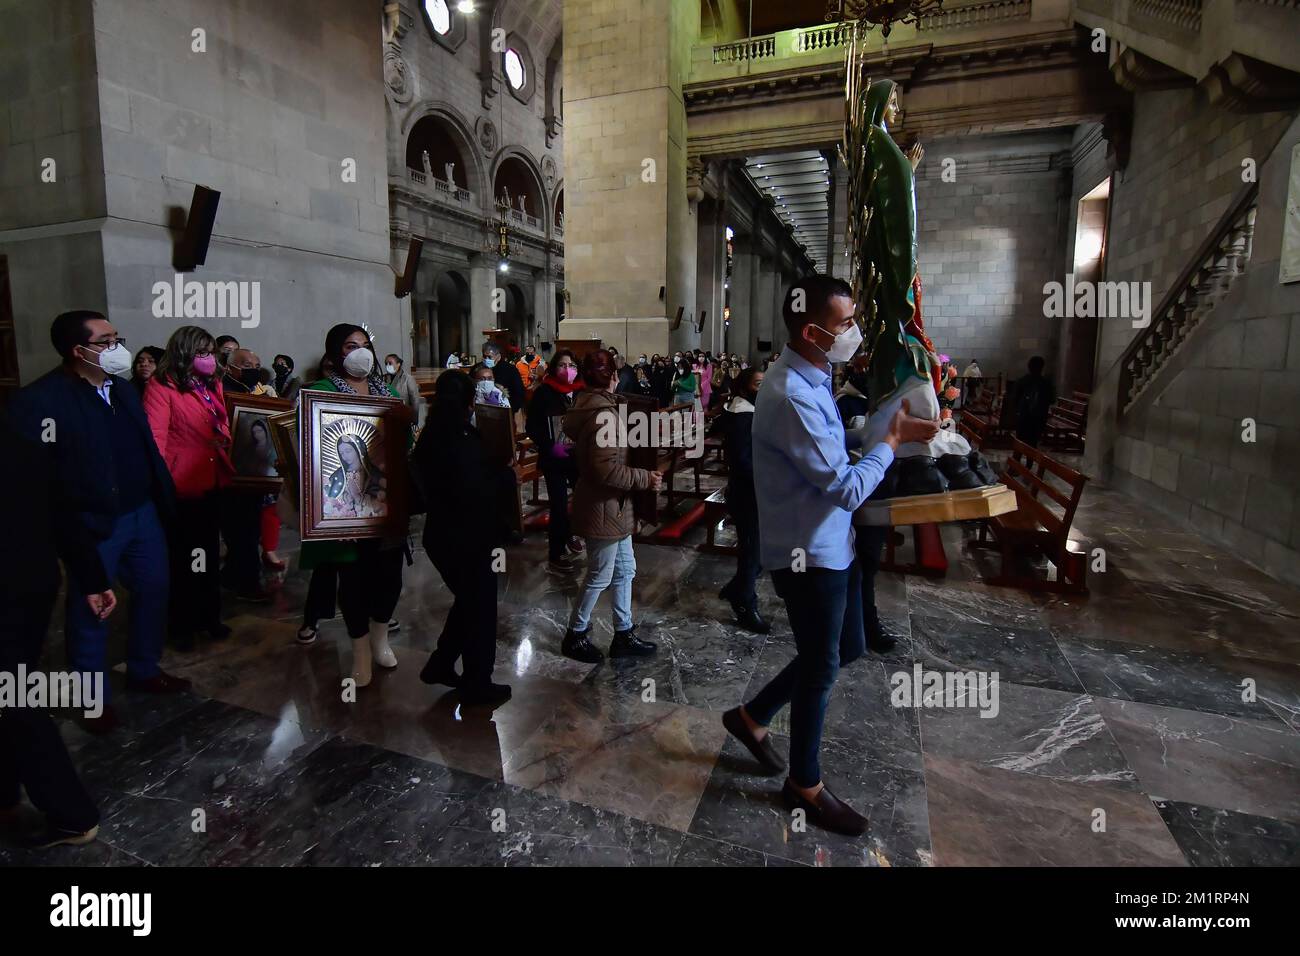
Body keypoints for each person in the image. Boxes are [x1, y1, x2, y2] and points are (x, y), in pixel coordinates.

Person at [720, 276, 938, 836]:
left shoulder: (814, 376)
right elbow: (843, 485)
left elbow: (829, 450)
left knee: (847, 645)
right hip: (806, 554)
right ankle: (805, 784)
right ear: (813, 330)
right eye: (845, 324)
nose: (853, 332)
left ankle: (751, 717)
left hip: (829, 542)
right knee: (823, 664)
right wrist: (889, 444)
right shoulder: (790, 391)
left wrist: (879, 431)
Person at [7, 311, 190, 735]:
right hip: (90, 521)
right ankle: (92, 699)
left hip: (142, 512)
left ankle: (144, 667)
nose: (118, 348)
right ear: (79, 351)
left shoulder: (124, 391)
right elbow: (41, 480)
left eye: (116, 337)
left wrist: (163, 501)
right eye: (107, 341)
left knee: (154, 589)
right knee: (92, 606)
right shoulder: (41, 402)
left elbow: (146, 448)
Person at [1, 412, 111, 847]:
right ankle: (6, 792)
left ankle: (72, 815)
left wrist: (93, 577)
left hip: (12, 588)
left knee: (12, 695)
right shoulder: (21, 437)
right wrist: (92, 576)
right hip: (33, 584)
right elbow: (63, 514)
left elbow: (59, 511)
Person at [296, 324, 414, 687]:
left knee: (390, 579)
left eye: (365, 346)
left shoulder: (388, 393)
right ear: (334, 354)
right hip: (342, 512)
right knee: (353, 582)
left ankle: (380, 641)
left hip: (386, 504)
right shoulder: (318, 393)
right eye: (351, 346)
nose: (361, 353)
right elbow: (308, 451)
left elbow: (403, 446)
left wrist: (406, 425)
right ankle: (360, 651)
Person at [413, 372, 515, 706]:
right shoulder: (463, 439)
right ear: (470, 402)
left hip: (442, 535)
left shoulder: (432, 435)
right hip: (469, 537)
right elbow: (477, 490)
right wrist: (503, 473)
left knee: (469, 602)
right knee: (481, 609)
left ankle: (441, 663)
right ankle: (478, 682)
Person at [560, 350, 663, 663]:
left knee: (625, 570)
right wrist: (646, 477)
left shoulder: (595, 406)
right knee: (600, 574)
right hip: (603, 505)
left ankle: (623, 633)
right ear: (613, 378)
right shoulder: (603, 414)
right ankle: (575, 634)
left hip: (614, 506)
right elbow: (604, 470)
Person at [143, 325, 235, 649]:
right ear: (184, 353)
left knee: (208, 555)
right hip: (181, 485)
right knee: (183, 559)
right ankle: (181, 624)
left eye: (211, 352)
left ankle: (209, 616)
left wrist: (223, 434)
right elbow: (155, 440)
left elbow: (220, 420)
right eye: (202, 353)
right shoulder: (161, 387)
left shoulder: (212, 383)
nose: (209, 358)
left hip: (212, 478)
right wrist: (163, 483)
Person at [835, 357, 899, 653]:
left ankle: (861, 625)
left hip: (874, 487)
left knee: (865, 566)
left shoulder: (883, 406)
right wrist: (885, 442)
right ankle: (864, 627)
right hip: (857, 489)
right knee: (861, 565)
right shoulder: (844, 402)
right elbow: (836, 447)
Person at [217, 348, 272, 601]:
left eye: (257, 364)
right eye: (247, 364)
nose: (253, 368)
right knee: (242, 531)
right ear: (231, 367)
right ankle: (248, 582)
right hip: (232, 471)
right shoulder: (222, 390)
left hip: (253, 470)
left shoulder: (257, 389)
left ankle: (231, 575)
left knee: (249, 528)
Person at [717, 367, 769, 634]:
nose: (763, 387)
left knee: (757, 548)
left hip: (752, 489)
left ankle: (737, 586)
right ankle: (745, 603)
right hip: (748, 491)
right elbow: (742, 460)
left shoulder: (747, 410)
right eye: (758, 383)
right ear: (745, 386)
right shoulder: (742, 416)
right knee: (752, 549)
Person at [525, 349, 585, 574]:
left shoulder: (580, 392)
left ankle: (570, 533)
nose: (567, 369)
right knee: (559, 505)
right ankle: (556, 553)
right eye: (562, 365)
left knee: (580, 499)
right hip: (554, 457)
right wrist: (551, 445)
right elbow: (532, 426)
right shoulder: (544, 393)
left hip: (576, 455)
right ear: (553, 368)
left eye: (572, 365)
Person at [1013, 355, 1055, 448]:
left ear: (1029, 366)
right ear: (1042, 367)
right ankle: (1029, 462)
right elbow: (1052, 400)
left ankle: (1016, 460)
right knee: (1033, 444)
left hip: (1023, 417)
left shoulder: (1022, 381)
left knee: (1019, 443)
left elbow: (1015, 399)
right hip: (1039, 418)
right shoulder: (1046, 383)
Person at [481, 342, 525, 411]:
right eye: (484, 356)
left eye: (489, 357)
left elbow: (519, 392)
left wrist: (516, 410)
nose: (486, 359)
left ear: (498, 357)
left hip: (506, 409)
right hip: (483, 408)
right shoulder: (478, 369)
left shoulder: (510, 370)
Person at [384, 353, 421, 417]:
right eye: (386, 364)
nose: (388, 365)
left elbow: (415, 400)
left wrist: (414, 418)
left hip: (403, 415)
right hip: (387, 415)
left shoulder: (408, 379)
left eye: (390, 363)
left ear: (398, 364)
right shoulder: (383, 379)